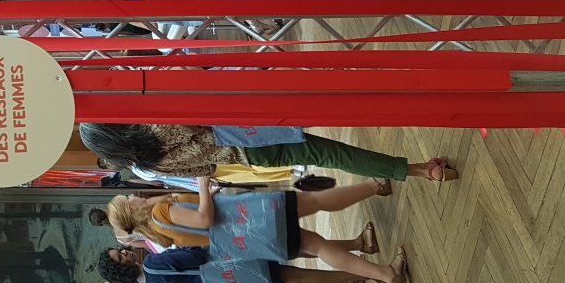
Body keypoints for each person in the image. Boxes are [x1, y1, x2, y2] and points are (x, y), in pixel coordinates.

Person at [105, 180, 409, 283]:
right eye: (127, 199)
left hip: (247, 238)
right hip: (251, 219)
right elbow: (204, 219)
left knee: (313, 246)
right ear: (130, 209)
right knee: (314, 207)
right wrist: (202, 186)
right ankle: (374, 188)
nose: (132, 195)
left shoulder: (157, 232)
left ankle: (381, 270)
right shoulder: (159, 215)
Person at [78, 123, 459, 182]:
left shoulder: (147, 165)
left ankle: (418, 169)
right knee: (329, 117)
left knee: (330, 155)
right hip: (247, 127)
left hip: (250, 157)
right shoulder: (153, 126)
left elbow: (205, 172)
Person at [99, 245, 373, 283]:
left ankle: (356, 276)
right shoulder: (153, 263)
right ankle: (365, 271)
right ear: (122, 269)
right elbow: (195, 256)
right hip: (229, 265)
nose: (125, 253)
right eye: (121, 258)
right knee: (294, 267)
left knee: (293, 279)